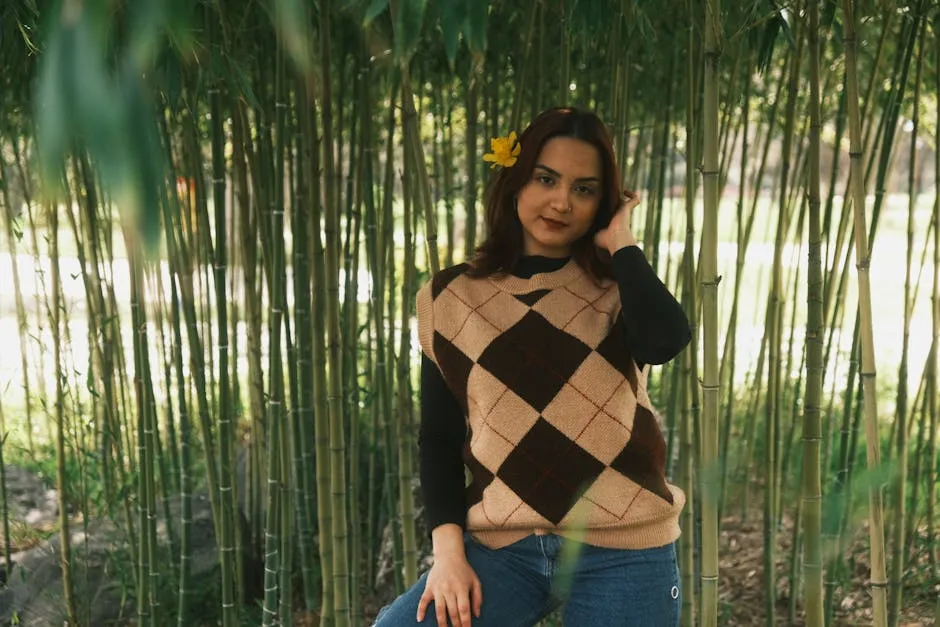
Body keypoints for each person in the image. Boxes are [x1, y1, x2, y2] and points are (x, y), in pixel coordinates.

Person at [373, 107, 692, 627]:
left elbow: (664, 341)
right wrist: (449, 555)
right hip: (507, 548)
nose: (562, 201)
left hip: (622, 543)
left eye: (585, 189)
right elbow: (438, 438)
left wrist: (623, 243)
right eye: (546, 179)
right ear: (515, 179)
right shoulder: (449, 299)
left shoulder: (618, 285)